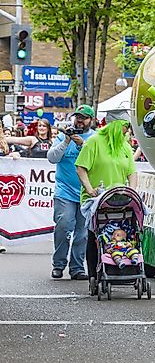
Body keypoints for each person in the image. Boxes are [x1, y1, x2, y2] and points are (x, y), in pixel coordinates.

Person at [75, 119, 138, 281]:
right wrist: (89, 189)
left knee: (121, 234)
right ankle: (93, 275)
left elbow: (132, 172)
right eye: (124, 130)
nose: (126, 134)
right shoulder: (93, 142)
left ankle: (121, 269)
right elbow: (81, 167)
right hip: (96, 198)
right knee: (95, 234)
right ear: (116, 128)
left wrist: (132, 190)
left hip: (120, 198)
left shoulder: (124, 146)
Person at [47, 105, 96, 280]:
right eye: (77, 117)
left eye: (84, 117)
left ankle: (77, 268)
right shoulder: (62, 136)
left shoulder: (95, 139)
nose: (80, 120)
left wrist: (82, 144)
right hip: (64, 190)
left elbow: (97, 160)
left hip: (86, 192)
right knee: (63, 225)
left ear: (92, 120)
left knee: (82, 233)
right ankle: (58, 264)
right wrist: (67, 141)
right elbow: (52, 158)